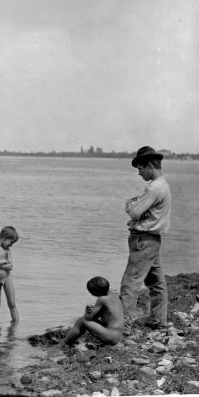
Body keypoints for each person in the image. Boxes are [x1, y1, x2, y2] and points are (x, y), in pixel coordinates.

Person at [120, 146, 171, 335]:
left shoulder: (154, 187)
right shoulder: (163, 184)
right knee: (156, 282)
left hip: (143, 240)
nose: (139, 173)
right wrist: (139, 208)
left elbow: (134, 212)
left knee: (130, 282)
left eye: (140, 168)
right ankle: (159, 320)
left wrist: (130, 203)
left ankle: (123, 326)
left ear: (150, 165)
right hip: (153, 240)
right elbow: (142, 212)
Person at [59, 276, 124, 346]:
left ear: (97, 292)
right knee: (84, 320)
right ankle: (69, 341)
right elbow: (104, 314)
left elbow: (88, 318)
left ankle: (64, 343)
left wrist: (87, 310)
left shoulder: (102, 299)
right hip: (118, 335)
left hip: (111, 337)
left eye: (92, 293)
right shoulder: (113, 294)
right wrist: (94, 310)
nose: (91, 294)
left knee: (81, 321)